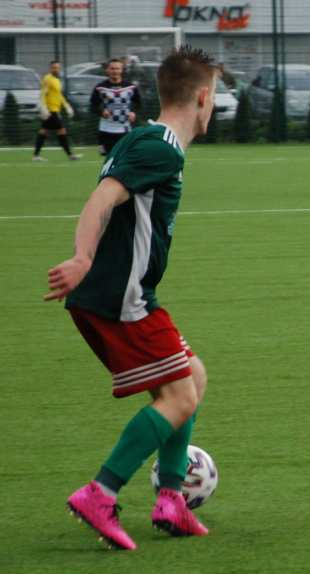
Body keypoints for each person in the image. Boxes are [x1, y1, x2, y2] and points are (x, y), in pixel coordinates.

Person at [44, 46, 219, 551]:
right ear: (203, 97)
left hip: (125, 294)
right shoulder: (159, 146)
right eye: (216, 95)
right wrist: (81, 258)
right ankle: (101, 492)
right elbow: (102, 197)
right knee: (180, 396)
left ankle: (171, 501)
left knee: (192, 376)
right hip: (121, 298)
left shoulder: (148, 138)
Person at [90, 58, 141, 156]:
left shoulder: (131, 87)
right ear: (107, 70)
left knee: (124, 158)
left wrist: (133, 112)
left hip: (125, 129)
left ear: (122, 70)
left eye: (117, 69)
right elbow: (93, 106)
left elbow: (138, 103)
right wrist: (101, 112)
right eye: (112, 69)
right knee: (108, 159)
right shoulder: (100, 87)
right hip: (106, 130)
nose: (115, 71)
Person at [32, 61, 81, 161]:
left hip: (55, 110)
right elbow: (43, 94)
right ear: (50, 68)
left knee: (44, 131)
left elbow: (59, 95)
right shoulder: (47, 79)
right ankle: (70, 155)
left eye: (57, 68)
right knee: (61, 130)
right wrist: (43, 108)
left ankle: (36, 155)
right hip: (50, 111)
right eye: (54, 68)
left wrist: (67, 106)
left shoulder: (57, 80)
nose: (56, 70)